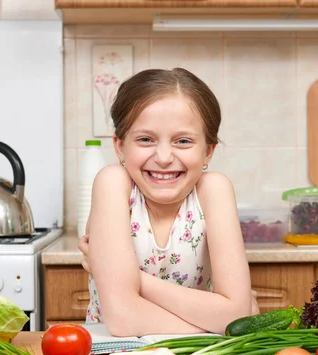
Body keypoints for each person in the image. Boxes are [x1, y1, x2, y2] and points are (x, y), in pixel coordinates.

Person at [78, 67, 258, 337]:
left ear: (208, 150)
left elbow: (234, 316)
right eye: (145, 139)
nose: (163, 157)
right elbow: (123, 319)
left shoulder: (214, 190)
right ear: (119, 146)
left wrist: (133, 281)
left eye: (183, 141)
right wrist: (216, 324)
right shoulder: (113, 184)